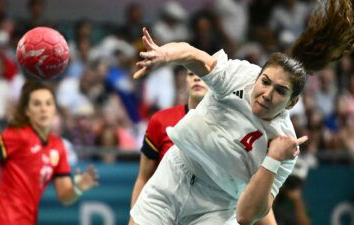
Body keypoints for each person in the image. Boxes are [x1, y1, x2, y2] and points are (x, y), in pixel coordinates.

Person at [130, 0, 354, 224]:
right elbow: (193, 54)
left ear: (291, 103)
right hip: (175, 173)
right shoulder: (240, 76)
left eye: (280, 91)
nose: (267, 94)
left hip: (217, 207)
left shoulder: (284, 144)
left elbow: (246, 215)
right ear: (257, 77)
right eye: (265, 82)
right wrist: (165, 55)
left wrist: (273, 158)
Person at [0, 80, 98, 225]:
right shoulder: (15, 136)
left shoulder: (58, 146)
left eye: (48, 103)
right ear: (27, 111)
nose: (43, 109)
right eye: (37, 104)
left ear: (55, 109)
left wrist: (79, 188)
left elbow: (64, 196)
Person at [129, 68, 209, 224]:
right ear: (184, 82)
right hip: (162, 214)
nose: (196, 79)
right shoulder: (160, 120)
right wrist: (134, 218)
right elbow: (143, 178)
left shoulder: (228, 127)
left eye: (203, 75)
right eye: (191, 74)